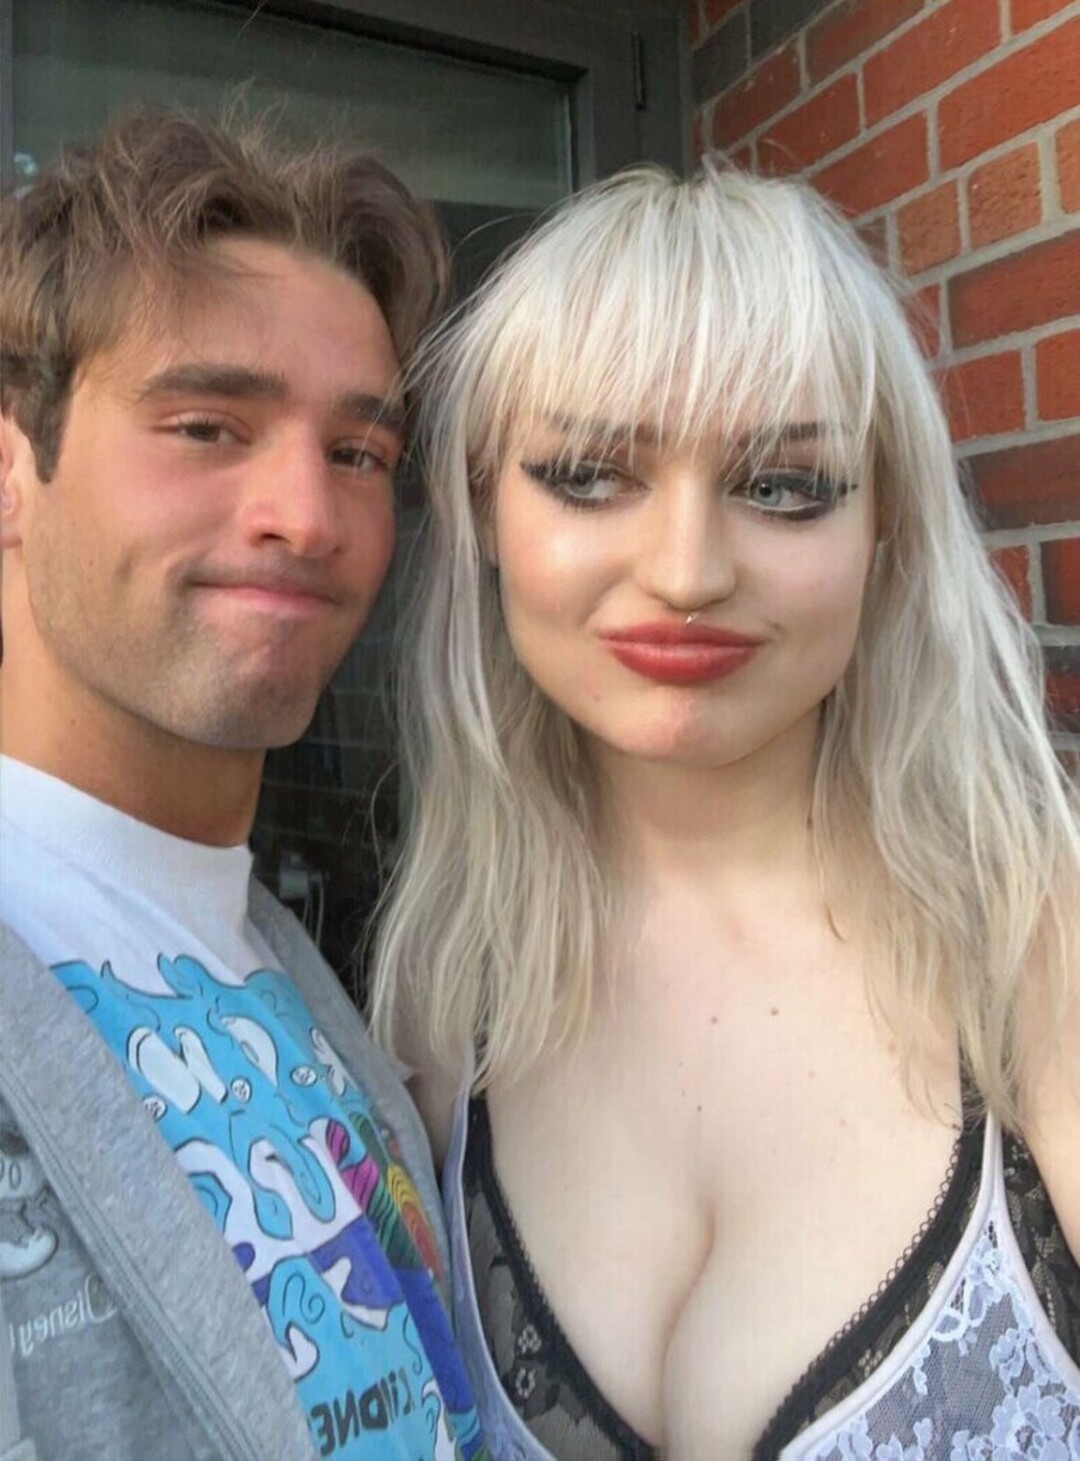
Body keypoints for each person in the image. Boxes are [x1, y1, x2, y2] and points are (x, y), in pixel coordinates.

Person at [370, 162, 1080, 1460]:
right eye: (590, 475)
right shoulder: (443, 1003)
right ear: (482, 510)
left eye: (785, 486)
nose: (688, 571)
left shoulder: (1035, 944)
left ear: (885, 529)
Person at [0, 109, 487, 1461]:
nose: (308, 515)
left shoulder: (310, 995)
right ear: (12, 472)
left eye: (357, 453)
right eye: (209, 425)